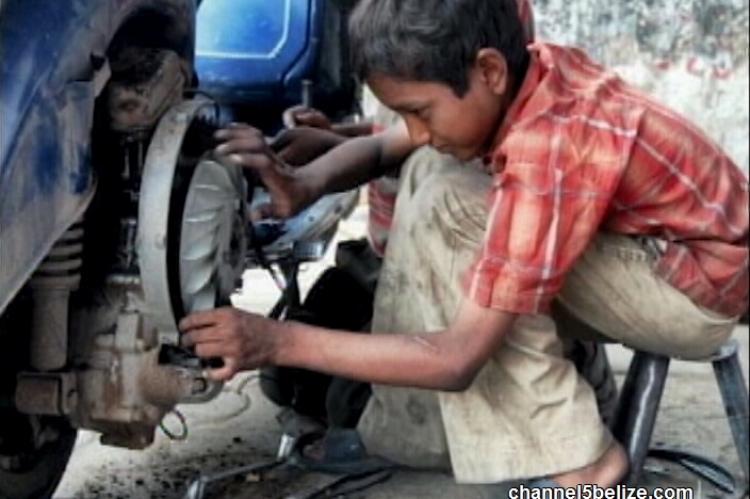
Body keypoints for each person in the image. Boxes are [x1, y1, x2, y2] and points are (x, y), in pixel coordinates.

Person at [180, 0, 749, 488]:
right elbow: (387, 148)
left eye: (418, 110)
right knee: (429, 165)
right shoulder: (519, 73)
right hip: (654, 256)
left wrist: (274, 340)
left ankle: (587, 468)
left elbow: (457, 359)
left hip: (693, 290)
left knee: (453, 203)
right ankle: (416, 430)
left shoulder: (549, 146)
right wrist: (303, 182)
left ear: (489, 70)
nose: (415, 127)